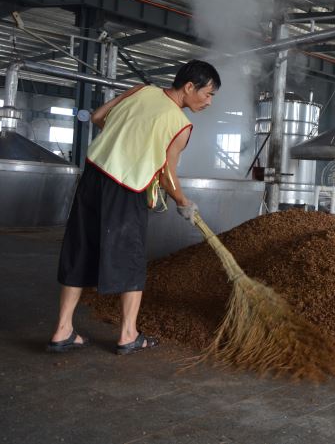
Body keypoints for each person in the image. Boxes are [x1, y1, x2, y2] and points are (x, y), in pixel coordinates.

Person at [47, 60, 220, 356]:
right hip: (126, 190)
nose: (209, 101)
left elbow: (100, 116)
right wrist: (183, 202)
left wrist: (123, 138)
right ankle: (128, 335)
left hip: (93, 177)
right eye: (208, 93)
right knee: (131, 257)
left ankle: (62, 330)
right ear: (189, 87)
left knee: (80, 248)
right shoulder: (181, 125)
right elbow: (167, 174)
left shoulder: (141, 90)